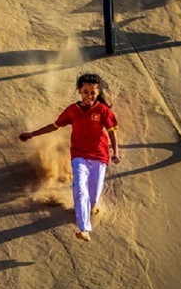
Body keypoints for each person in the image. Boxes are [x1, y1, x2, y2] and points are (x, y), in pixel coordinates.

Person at [19, 73, 120, 242]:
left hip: (100, 157)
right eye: (85, 91)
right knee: (80, 189)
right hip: (79, 156)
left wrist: (116, 152)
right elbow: (54, 126)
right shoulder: (72, 111)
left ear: (98, 93)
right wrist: (32, 134)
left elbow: (112, 133)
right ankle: (84, 228)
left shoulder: (103, 111)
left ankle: (91, 208)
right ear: (79, 91)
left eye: (93, 92)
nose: (89, 95)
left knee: (93, 197)